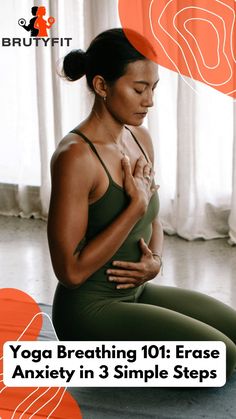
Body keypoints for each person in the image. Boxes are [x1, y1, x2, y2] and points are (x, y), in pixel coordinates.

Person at [47, 28, 236, 379]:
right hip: (90, 311)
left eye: (153, 88)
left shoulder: (140, 138)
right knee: (219, 358)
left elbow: (154, 222)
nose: (149, 101)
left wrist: (156, 261)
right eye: (138, 89)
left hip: (138, 291)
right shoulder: (75, 157)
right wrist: (133, 206)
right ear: (102, 86)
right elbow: (69, 272)